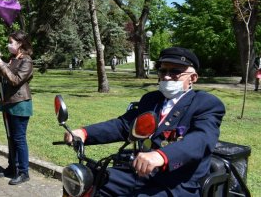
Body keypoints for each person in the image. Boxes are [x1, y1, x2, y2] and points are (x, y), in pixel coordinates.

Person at [64, 47, 225, 196]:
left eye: (175, 72)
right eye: (163, 70)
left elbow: (201, 139)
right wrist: (84, 133)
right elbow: (124, 125)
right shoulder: (151, 99)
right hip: (138, 174)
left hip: (176, 183)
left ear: (193, 78)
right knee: (86, 181)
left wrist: (162, 156)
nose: (167, 76)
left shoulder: (205, 103)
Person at [0, 31, 34, 185]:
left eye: (11, 42)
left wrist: (3, 66)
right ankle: (12, 167)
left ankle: (24, 172)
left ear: (20, 44)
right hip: (7, 102)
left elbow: (16, 80)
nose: (9, 45)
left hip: (20, 104)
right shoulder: (12, 60)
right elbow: (0, 80)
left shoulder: (27, 61)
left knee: (19, 138)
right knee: (11, 137)